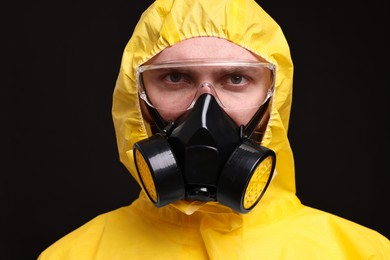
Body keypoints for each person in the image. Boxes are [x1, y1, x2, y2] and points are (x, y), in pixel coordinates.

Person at [38, 0, 390, 259]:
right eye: (175, 77)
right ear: (137, 96)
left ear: (274, 96)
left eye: (236, 79)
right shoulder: (72, 255)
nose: (205, 111)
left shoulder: (362, 253)